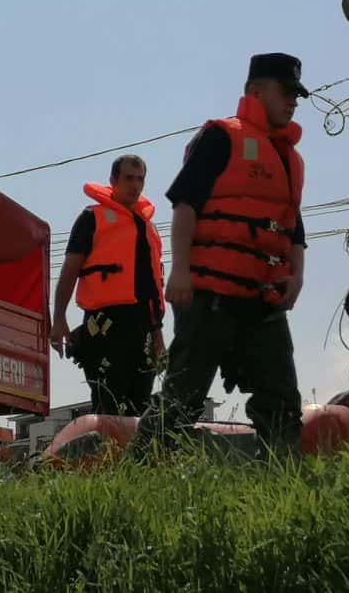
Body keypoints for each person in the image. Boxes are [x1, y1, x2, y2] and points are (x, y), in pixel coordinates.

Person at [132, 52, 308, 457]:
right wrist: (179, 272)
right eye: (285, 91)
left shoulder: (290, 159)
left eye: (296, 94)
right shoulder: (221, 136)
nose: (292, 101)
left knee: (280, 399)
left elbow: (294, 227)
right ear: (254, 91)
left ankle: (282, 485)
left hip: (264, 301)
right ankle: (136, 474)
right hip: (210, 293)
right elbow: (184, 204)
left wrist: (296, 277)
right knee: (183, 396)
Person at [49, 154, 165, 416]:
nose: (134, 185)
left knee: (140, 407)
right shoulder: (91, 218)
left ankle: (135, 457)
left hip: (143, 326)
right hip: (104, 324)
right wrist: (59, 319)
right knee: (108, 403)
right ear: (113, 181)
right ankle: (106, 454)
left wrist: (158, 334)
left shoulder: (149, 229)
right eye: (128, 178)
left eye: (140, 179)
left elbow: (153, 287)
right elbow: (69, 271)